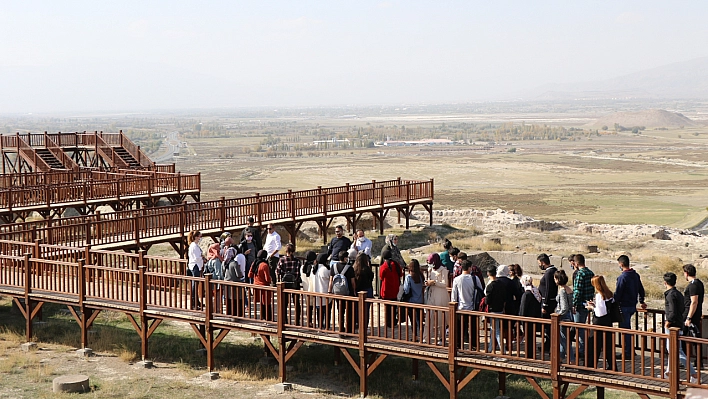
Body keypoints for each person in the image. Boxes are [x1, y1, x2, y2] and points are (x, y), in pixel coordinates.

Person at [661, 272, 697, 383]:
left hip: (673, 326)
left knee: (677, 351)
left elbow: (671, 311)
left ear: (665, 283)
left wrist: (668, 321)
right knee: (671, 350)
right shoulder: (677, 293)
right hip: (679, 324)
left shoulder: (670, 295)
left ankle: (693, 374)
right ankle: (668, 372)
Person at [614, 255, 647, 357]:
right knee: (627, 328)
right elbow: (641, 289)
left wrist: (612, 303)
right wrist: (641, 301)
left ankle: (627, 352)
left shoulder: (622, 277)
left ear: (621, 264)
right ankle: (630, 350)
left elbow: (618, 293)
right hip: (632, 305)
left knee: (624, 330)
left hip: (624, 306)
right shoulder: (635, 275)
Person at [584, 276, 615, 371]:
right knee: (607, 344)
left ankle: (590, 365)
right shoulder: (609, 294)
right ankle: (612, 365)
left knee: (593, 344)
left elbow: (600, 312)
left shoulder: (599, 296)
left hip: (599, 322)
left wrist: (591, 307)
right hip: (607, 321)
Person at [451, 260, 483, 347]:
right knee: (473, 328)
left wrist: (454, 305)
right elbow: (480, 291)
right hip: (472, 307)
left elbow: (454, 295)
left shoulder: (457, 279)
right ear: (469, 268)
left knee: (460, 328)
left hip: (460, 308)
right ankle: (474, 345)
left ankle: (458, 345)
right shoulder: (475, 278)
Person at [329, 250, 357, 334]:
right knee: (349, 311)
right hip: (348, 293)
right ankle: (349, 329)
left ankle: (341, 328)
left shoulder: (333, 267)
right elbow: (353, 282)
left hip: (337, 292)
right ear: (345, 258)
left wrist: (329, 291)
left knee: (340, 310)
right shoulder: (349, 268)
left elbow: (331, 281)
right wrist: (354, 291)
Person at [572, 254, 594, 357]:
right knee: (583, 327)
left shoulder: (580, 274)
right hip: (588, 303)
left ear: (576, 263)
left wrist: (574, 304)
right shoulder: (590, 272)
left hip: (580, 305)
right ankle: (585, 349)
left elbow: (577, 291)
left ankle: (583, 350)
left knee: (579, 328)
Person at [425, 253, 450, 345]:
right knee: (429, 316)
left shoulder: (443, 270)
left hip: (440, 294)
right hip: (432, 294)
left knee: (440, 318)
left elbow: (445, 284)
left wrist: (434, 282)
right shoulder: (430, 269)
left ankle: (441, 338)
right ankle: (426, 337)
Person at [277, 243, 302, 325]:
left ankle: (285, 321)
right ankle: (297, 321)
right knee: (296, 303)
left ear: (286, 250)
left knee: (285, 304)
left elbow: (278, 271)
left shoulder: (282, 260)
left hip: (285, 285)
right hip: (295, 285)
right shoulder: (297, 261)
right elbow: (298, 274)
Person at [537, 254, 558, 350]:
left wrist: (545, 305)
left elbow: (548, 289)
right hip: (549, 301)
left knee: (548, 326)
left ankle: (548, 345)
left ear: (543, 262)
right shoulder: (552, 271)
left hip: (548, 303)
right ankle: (547, 344)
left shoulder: (549, 273)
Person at [519, 275, 542, 358]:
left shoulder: (526, 294)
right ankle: (532, 354)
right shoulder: (536, 291)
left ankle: (529, 355)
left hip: (527, 319)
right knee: (532, 337)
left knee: (528, 337)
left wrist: (520, 320)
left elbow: (523, 309)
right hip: (535, 317)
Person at [485, 267, 506, 354]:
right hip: (500, 309)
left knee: (495, 330)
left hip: (493, 310)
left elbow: (487, 301)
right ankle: (490, 348)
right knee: (494, 330)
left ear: (488, 274)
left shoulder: (490, 286)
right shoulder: (501, 284)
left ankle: (502, 350)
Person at [555, 270, 575, 362]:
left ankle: (571, 359)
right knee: (564, 338)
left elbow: (564, 307)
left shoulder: (562, 291)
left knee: (564, 339)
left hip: (563, 317)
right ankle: (561, 357)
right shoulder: (569, 289)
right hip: (570, 315)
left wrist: (557, 314)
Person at [380, 251, 403, 328]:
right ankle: (393, 321)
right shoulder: (396, 264)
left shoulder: (383, 266)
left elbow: (381, 277)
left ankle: (388, 322)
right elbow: (401, 274)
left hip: (386, 289)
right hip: (395, 288)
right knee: (394, 305)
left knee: (387, 307)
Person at [249, 250, 273, 322]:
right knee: (266, 303)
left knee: (261, 304)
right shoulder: (264, 265)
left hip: (256, 286)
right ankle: (268, 319)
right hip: (264, 287)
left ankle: (261, 318)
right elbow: (267, 279)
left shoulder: (254, 263)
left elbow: (249, 275)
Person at [353, 252, 375, 329]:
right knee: (366, 310)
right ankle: (364, 326)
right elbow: (371, 277)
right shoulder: (367, 269)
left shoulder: (354, 269)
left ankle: (357, 323)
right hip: (367, 290)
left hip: (358, 290)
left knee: (357, 309)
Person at [403, 259, 425, 334]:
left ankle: (414, 336)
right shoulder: (421, 276)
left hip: (411, 301)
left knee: (413, 320)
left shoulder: (409, 277)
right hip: (420, 300)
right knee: (420, 319)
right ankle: (422, 336)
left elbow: (406, 290)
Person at [312, 253, 332, 329]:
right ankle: (327, 326)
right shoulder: (326, 269)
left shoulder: (314, 269)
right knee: (327, 312)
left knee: (319, 312)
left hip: (317, 293)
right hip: (326, 293)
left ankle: (320, 326)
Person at [187, 230, 205, 310]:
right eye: (200, 237)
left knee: (196, 284)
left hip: (196, 265)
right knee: (195, 284)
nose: (201, 238)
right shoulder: (194, 246)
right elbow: (197, 257)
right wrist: (202, 257)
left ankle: (197, 301)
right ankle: (194, 303)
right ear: (196, 237)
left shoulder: (194, 245)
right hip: (195, 266)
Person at [300, 251, 317, 328]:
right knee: (315, 306)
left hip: (305, 289)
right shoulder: (313, 268)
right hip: (313, 289)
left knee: (308, 307)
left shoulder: (302, 267)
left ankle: (309, 321)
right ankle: (315, 322)